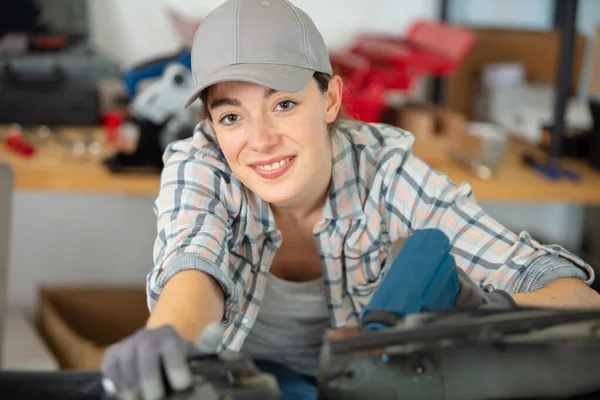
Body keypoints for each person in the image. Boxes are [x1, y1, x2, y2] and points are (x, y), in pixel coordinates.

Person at [101, 0, 600, 399]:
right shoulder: (201, 164)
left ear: (332, 100)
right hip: (245, 380)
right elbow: (194, 266)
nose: (261, 139)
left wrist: (484, 311)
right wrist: (169, 334)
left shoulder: (384, 169)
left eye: (284, 104)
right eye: (231, 116)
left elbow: (576, 297)